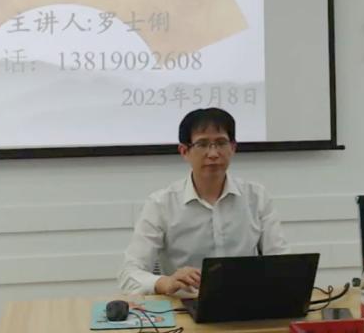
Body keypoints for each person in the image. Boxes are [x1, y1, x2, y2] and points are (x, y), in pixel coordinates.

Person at [117, 108, 289, 295]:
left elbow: (283, 263)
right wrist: (165, 282)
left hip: (247, 301)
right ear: (184, 151)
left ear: (233, 148)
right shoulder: (161, 204)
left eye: (221, 143)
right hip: (185, 303)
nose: (213, 153)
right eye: (202, 144)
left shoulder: (256, 197)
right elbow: (128, 274)